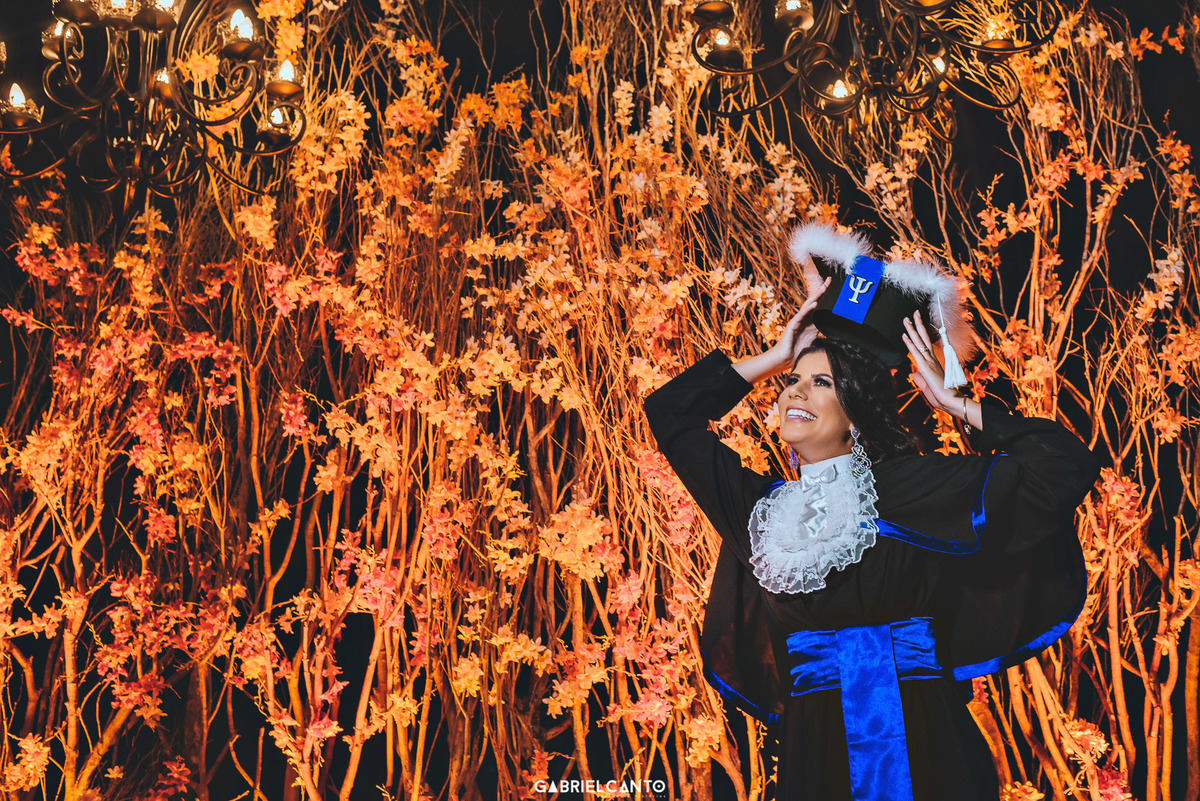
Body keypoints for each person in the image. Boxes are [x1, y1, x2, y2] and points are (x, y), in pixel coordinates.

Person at [644, 224, 1102, 801]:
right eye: (792, 382)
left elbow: (1064, 464)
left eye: (820, 382)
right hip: (815, 763)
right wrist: (776, 355)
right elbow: (670, 415)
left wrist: (955, 402)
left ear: (857, 410)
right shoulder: (764, 517)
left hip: (930, 749)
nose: (794, 393)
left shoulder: (916, 486)